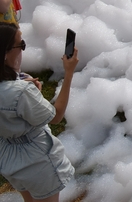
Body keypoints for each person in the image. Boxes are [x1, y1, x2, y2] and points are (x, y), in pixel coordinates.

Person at [0, 23, 79, 202]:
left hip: (8, 158)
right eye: (21, 45)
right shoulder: (22, 92)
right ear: (5, 54)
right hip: (37, 162)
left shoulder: (19, 89)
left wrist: (26, 91)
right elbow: (56, 116)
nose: (23, 50)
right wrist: (68, 73)